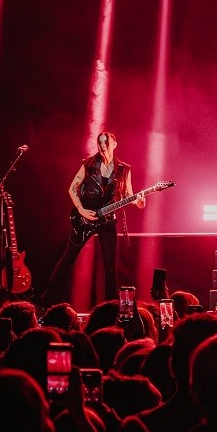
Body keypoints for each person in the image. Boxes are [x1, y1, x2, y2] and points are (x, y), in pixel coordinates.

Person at [42, 131, 145, 306]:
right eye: (100, 143)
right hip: (84, 219)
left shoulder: (123, 169)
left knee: (110, 266)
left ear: (114, 144)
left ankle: (112, 306)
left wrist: (139, 202)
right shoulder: (89, 164)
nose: (102, 146)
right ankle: (46, 301)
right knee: (67, 259)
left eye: (106, 143)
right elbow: (72, 188)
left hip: (108, 220)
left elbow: (129, 195)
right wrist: (81, 210)